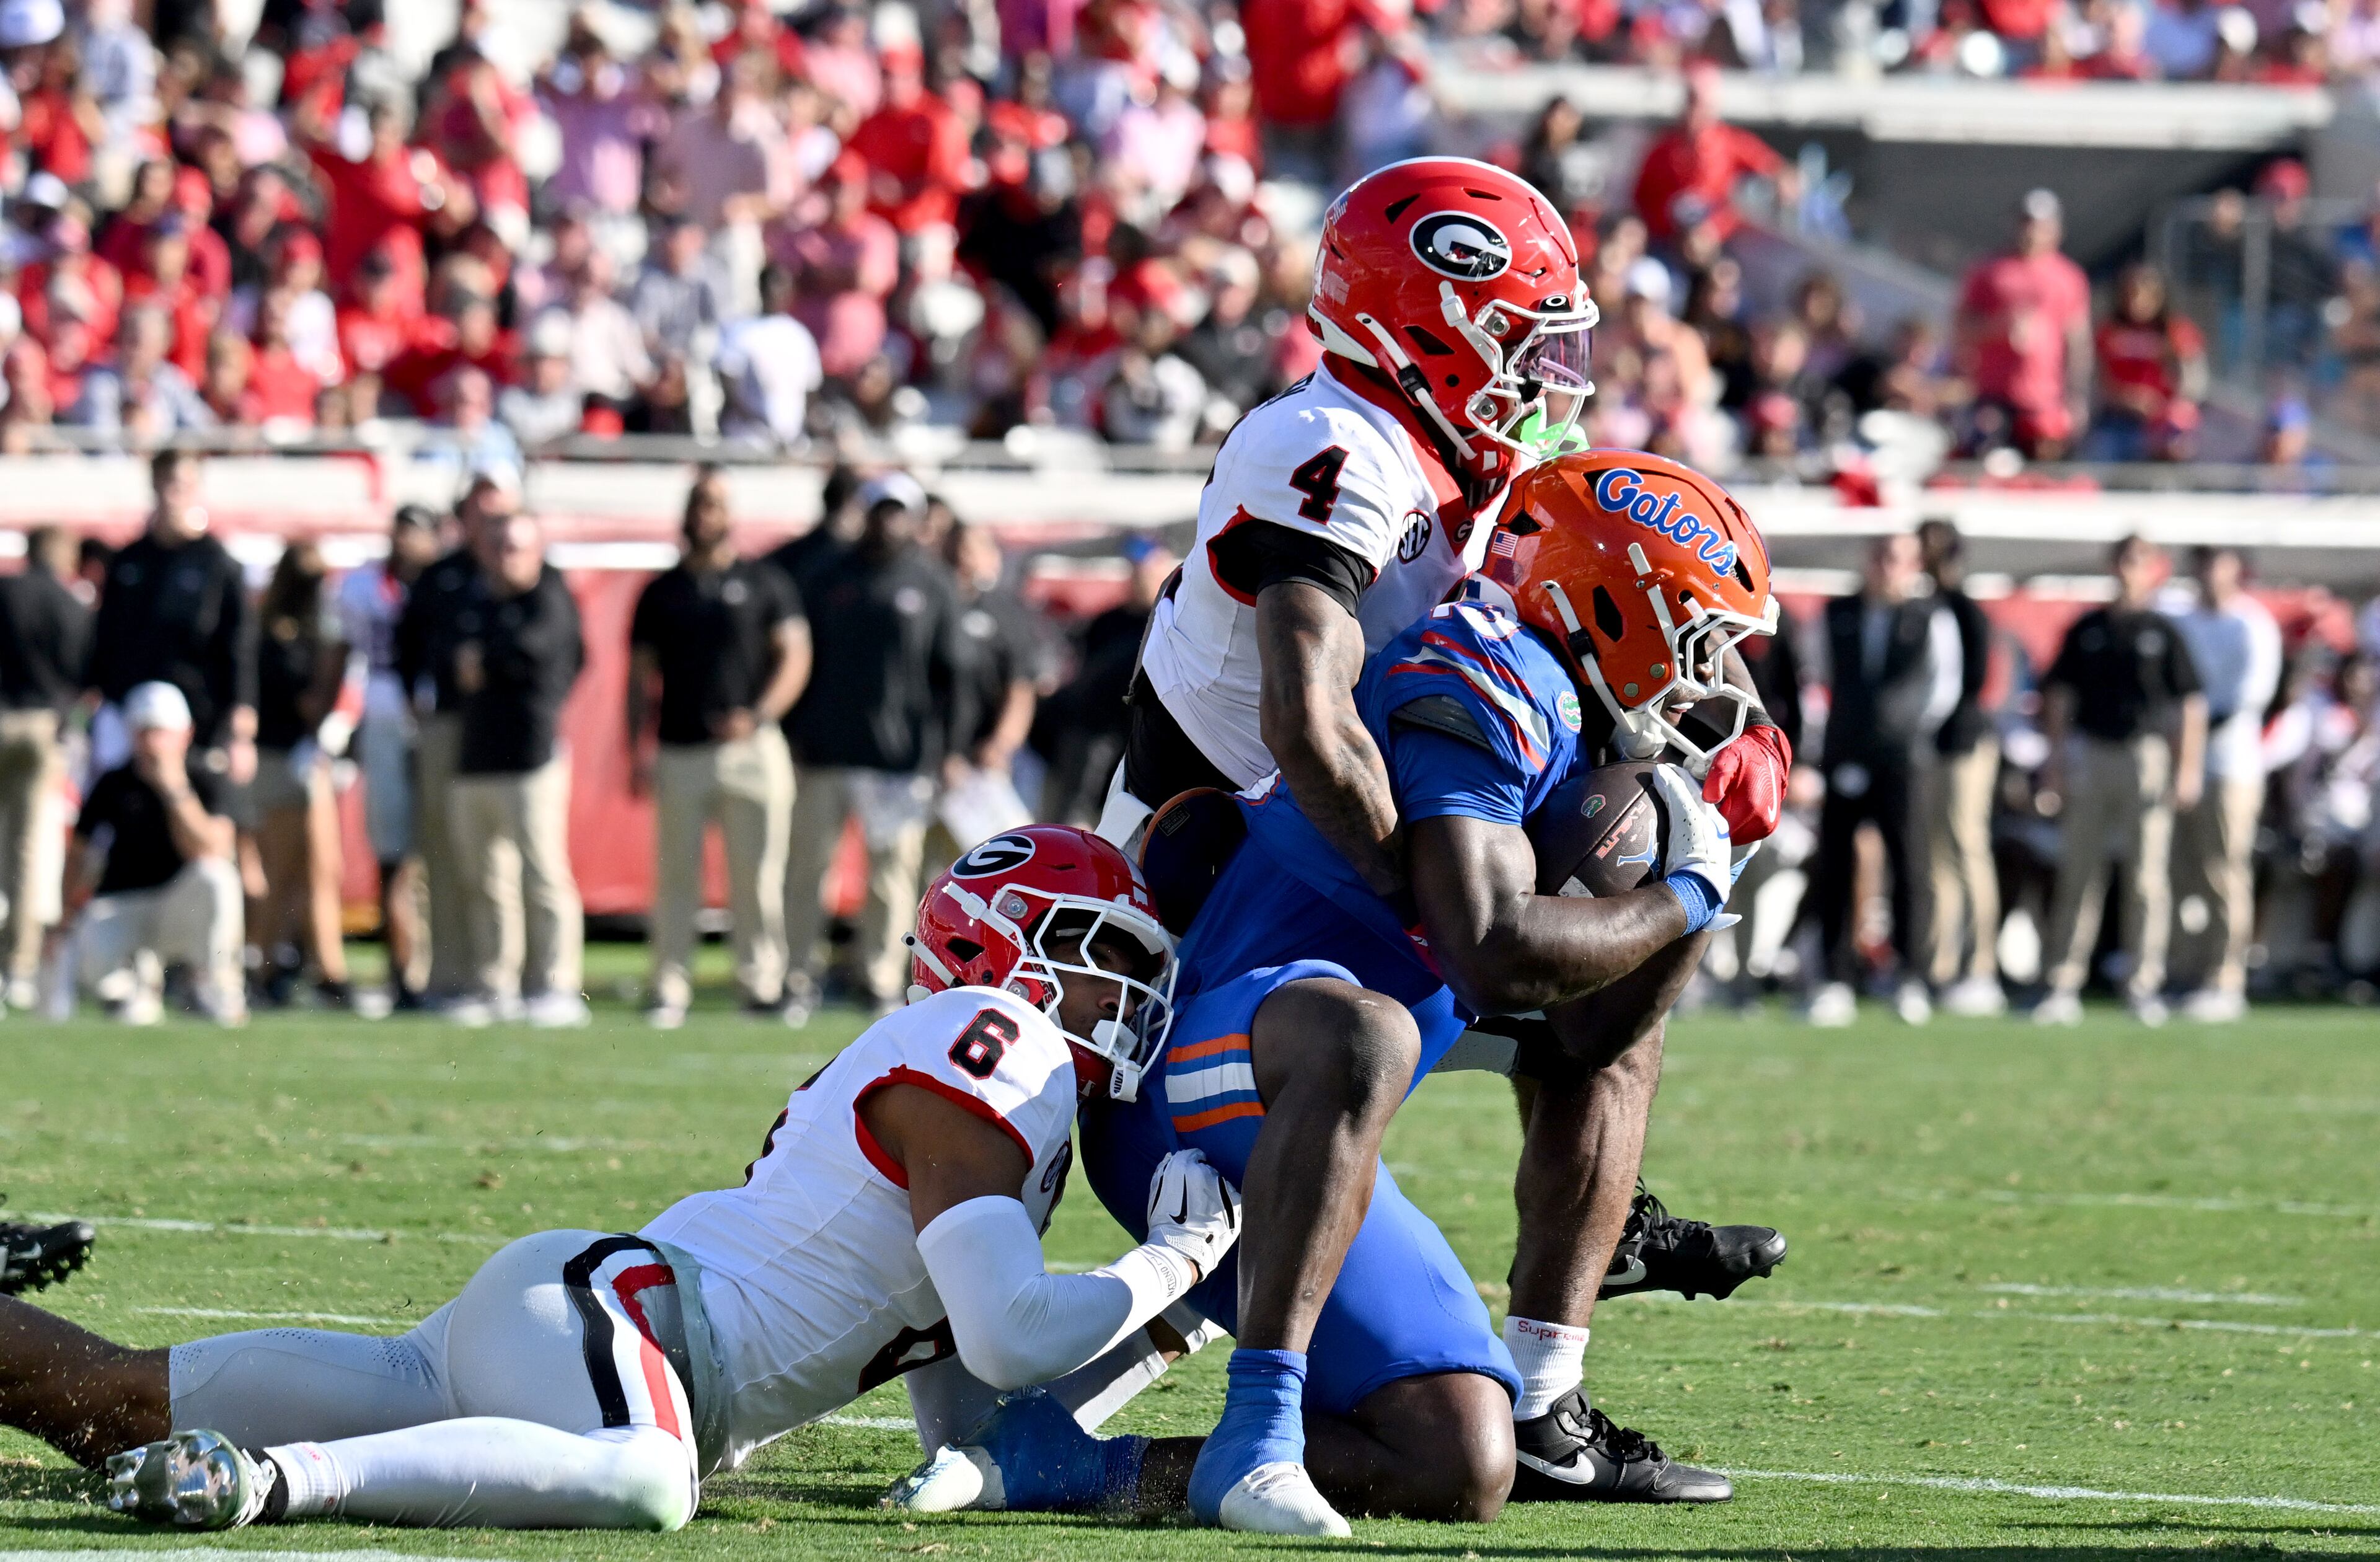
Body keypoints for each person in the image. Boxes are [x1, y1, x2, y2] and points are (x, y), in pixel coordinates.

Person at [902, 452, 1767, 1533]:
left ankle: (1073, 1465)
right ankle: (1260, 1427)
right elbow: (1492, 950)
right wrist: (1688, 889)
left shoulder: (1568, 711)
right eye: (1695, 637)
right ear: (1610, 600)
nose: (1710, 676)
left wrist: (1715, 857)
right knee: (1366, 1032)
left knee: (1458, 1460)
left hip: (1309, 1082)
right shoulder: (1488, 680)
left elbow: (1589, 1034)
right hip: (1198, 1086)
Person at [1106, 161, 1790, 1502]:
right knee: (1551, 930)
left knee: (1620, 959)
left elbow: (1622, 604)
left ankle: (1548, 1389)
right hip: (1215, 916)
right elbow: (1313, 724)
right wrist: (1432, 908)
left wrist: (1713, 744)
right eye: (1525, 339)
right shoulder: (1327, 444)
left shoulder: (1482, 465)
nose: (1552, 373)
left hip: (1352, 901)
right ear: (1428, 321)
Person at [5, 829, 1241, 1537]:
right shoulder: (997, 1040)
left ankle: (236, 1464)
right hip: (619, 1324)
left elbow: (974, 1402)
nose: (1126, 994)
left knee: (111, 1402)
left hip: (576, 1328)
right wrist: (1174, 1264)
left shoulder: (999, 1120)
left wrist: (1164, 1329)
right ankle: (266, 1485)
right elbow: (1013, 1334)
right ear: (999, 945)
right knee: (654, 1482)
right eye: (1104, 955)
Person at [628, 470, 810, 1029]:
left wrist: (758, 715)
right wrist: (636, 744)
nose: (706, 514)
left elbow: (795, 655)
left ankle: (761, 983)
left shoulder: (765, 582)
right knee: (675, 877)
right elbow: (639, 678)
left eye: (715, 504)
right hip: (681, 748)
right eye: (699, 504)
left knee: (757, 876)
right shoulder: (663, 591)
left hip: (751, 748)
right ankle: (669, 985)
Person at [780, 474, 967, 1019]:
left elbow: (953, 674)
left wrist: (949, 748)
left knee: (891, 877)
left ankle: (881, 978)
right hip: (826, 752)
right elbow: (800, 662)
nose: (887, 522)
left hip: (898, 759)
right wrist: (796, 735)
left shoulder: (932, 583)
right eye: (879, 510)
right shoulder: (825, 576)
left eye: (897, 511)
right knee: (809, 870)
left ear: (912, 518)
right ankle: (797, 976)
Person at [2035, 536, 2208, 1026]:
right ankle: (2062, 980)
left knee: (2147, 876)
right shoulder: (2088, 628)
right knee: (2080, 872)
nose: (2128, 570)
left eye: (2139, 561)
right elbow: (2060, 698)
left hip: (2146, 754)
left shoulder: (2163, 631)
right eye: (2122, 560)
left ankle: (2143, 981)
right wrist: (2055, 762)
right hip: (2093, 752)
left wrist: (2187, 767)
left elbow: (2188, 704)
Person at [1803, 534, 1962, 1027]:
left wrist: (1906, 733)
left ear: (1914, 565)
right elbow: (1815, 679)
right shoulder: (1837, 614)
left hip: (1903, 759)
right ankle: (1833, 979)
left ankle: (1911, 976)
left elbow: (1944, 685)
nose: (1887, 567)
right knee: (1835, 865)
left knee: (1909, 864)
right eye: (1880, 557)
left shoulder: (1930, 616)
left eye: (1898, 559)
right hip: (1845, 752)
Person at [447, 513, 587, 1028]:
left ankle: (556, 983)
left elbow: (540, 655)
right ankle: (495, 983)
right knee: (486, 879)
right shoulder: (478, 600)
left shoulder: (547, 599)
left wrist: (488, 662)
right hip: (478, 754)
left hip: (531, 757)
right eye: (499, 545)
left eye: (516, 546)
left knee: (544, 874)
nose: (506, 555)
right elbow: (447, 656)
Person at [57, 681, 244, 1025]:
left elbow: (212, 848)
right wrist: (65, 913)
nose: (151, 743)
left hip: (179, 908)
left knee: (217, 878)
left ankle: (212, 984)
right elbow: (79, 852)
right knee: (91, 936)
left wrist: (173, 789)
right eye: (143, 732)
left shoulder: (204, 777)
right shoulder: (114, 782)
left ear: (184, 734)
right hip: (127, 905)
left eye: (160, 732)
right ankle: (134, 989)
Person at [395, 474, 516, 1007]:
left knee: (504, 859)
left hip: (506, 731)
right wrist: (413, 698)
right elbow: (407, 642)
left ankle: (509, 975)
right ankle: (447, 974)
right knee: (442, 853)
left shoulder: (526, 575)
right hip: (447, 723)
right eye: (479, 512)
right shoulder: (442, 577)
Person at [87, 449, 255, 785]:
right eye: (165, 482)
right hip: (128, 713)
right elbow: (106, 637)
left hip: (199, 718)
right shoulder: (129, 561)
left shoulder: (218, 564)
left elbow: (239, 645)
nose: (172, 494)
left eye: (182, 484)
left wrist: (241, 724)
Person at [333, 504, 443, 1008]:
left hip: (440, 724)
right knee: (393, 853)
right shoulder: (361, 589)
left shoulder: (449, 586)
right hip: (381, 718)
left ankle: (443, 967)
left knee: (444, 851)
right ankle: (402, 971)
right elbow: (341, 655)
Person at [2166, 545, 2281, 1021]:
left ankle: (2225, 977)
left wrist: (2187, 734)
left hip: (2229, 767)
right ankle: (2184, 972)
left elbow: (2242, 700)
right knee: (2179, 873)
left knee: (2223, 872)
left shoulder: (2251, 626)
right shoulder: (2179, 619)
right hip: (2179, 766)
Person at [249, 541, 350, 1009]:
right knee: (286, 870)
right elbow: (300, 698)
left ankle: (322, 965)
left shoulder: (311, 630)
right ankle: (272, 965)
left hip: (308, 759)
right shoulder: (274, 634)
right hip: (279, 757)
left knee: (321, 869)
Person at [1918, 519, 2005, 1017]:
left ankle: (1980, 965)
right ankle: (1941, 963)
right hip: (1931, 745)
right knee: (1934, 857)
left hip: (1964, 744)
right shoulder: (1924, 607)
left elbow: (1974, 681)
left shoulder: (1965, 611)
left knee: (1965, 845)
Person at [0, 526, 88, 1010]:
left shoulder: (6, 592)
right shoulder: (71, 604)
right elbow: (82, 673)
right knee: (26, 848)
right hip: (43, 727)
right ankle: (18, 965)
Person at [1955, 190, 2092, 460]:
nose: (2032, 232)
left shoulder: (2069, 277)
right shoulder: (1989, 271)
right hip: (1993, 395)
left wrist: (2076, 396)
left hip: (2044, 399)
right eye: (2026, 224)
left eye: (2040, 226)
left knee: (2043, 476)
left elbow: (2077, 340)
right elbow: (1962, 328)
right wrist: (1998, 327)